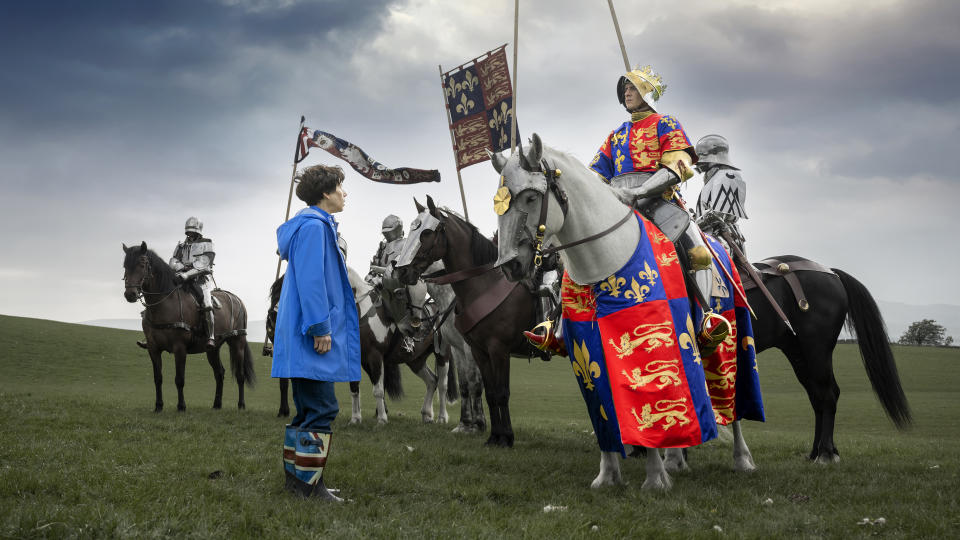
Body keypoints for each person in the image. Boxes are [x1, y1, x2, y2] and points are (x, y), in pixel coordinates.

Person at [272, 164, 361, 501]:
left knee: (308, 410)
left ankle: (299, 485)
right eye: (341, 186)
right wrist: (320, 328)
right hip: (311, 335)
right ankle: (310, 488)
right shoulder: (313, 228)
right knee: (322, 410)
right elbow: (312, 282)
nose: (344, 193)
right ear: (326, 192)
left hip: (304, 335)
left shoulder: (315, 226)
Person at [694, 134, 748, 256]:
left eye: (702, 156)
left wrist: (692, 226)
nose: (698, 162)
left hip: (720, 237)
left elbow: (718, 214)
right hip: (706, 234)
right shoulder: (713, 178)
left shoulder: (728, 175)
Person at [171, 217, 217, 349]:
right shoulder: (181, 246)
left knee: (207, 305)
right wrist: (180, 270)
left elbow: (204, 263)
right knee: (164, 295)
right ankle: (153, 334)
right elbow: (173, 261)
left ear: (198, 231)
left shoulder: (207, 243)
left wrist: (187, 274)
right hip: (181, 277)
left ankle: (211, 336)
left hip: (201, 280)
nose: (189, 233)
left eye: (192, 231)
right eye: (188, 231)